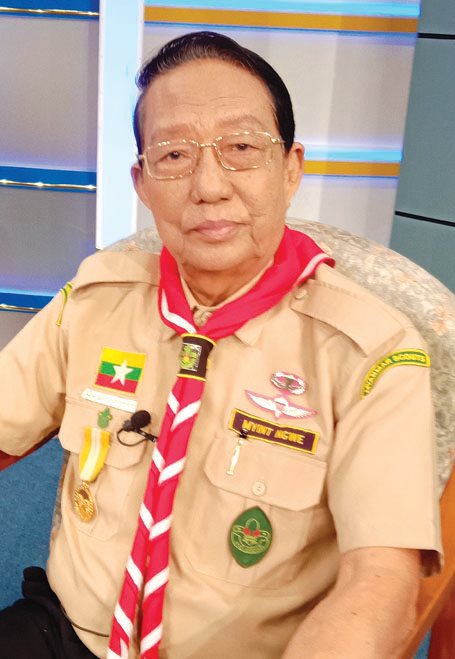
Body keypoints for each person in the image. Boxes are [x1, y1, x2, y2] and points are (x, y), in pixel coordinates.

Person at [0, 30, 442, 659]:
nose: (209, 185)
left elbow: (381, 581)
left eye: (241, 147)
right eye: (174, 155)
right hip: (70, 630)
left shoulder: (371, 352)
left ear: (290, 168)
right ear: (142, 181)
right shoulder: (96, 299)